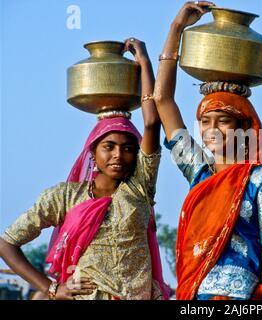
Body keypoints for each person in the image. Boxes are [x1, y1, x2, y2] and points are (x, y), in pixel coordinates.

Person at [0, 38, 170, 300]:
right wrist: (51, 288)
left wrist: (144, 62)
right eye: (109, 147)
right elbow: (6, 243)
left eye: (128, 148)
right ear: (93, 151)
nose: (118, 155)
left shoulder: (139, 187)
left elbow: (151, 123)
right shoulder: (65, 197)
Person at [153, 1, 262, 300]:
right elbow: (161, 100)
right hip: (194, 296)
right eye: (205, 121)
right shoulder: (200, 174)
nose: (211, 129)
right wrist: (177, 28)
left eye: (223, 120)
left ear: (244, 126)